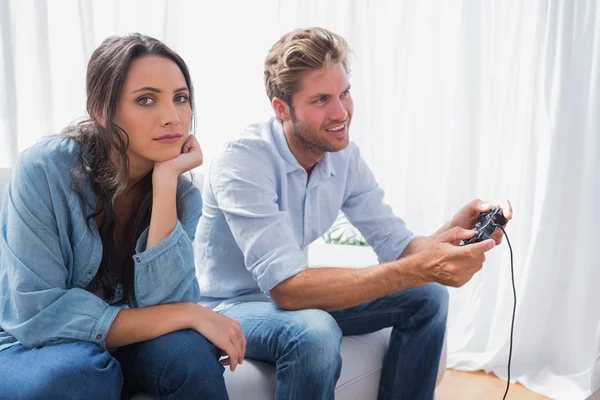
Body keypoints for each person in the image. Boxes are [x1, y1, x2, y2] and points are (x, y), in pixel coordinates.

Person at [195, 27, 513, 400]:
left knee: (427, 295)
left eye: (344, 93)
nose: (340, 112)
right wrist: (419, 266)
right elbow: (287, 289)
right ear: (282, 109)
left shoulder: (344, 157)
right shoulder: (243, 160)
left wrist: (451, 235)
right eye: (321, 100)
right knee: (314, 330)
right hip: (231, 307)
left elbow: (397, 246)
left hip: (286, 298)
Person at [0, 33, 245, 400]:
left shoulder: (183, 194)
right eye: (146, 100)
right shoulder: (44, 170)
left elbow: (167, 306)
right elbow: (41, 314)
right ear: (102, 110)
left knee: (191, 355)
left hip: (123, 341)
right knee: (79, 373)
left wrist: (165, 184)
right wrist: (191, 314)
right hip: (28, 343)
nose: (172, 118)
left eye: (181, 98)